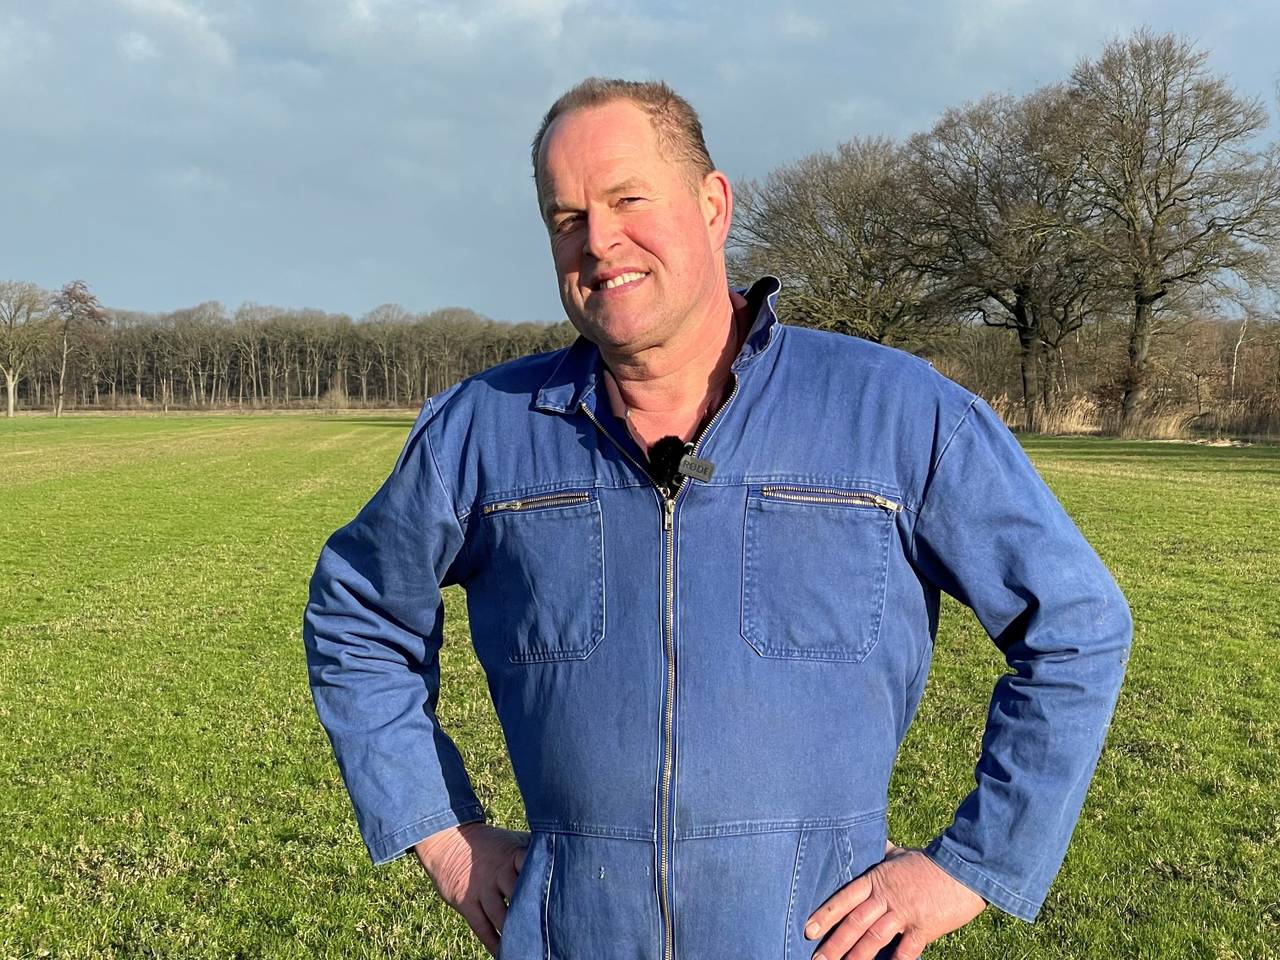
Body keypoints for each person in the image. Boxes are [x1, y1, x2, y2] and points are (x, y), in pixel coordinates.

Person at [302, 78, 1132, 960]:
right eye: (567, 217)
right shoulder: (482, 432)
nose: (598, 241)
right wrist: (442, 833)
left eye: (628, 199)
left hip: (813, 939)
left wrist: (972, 866)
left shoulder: (897, 412)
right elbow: (357, 616)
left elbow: (1074, 627)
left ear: (713, 204)